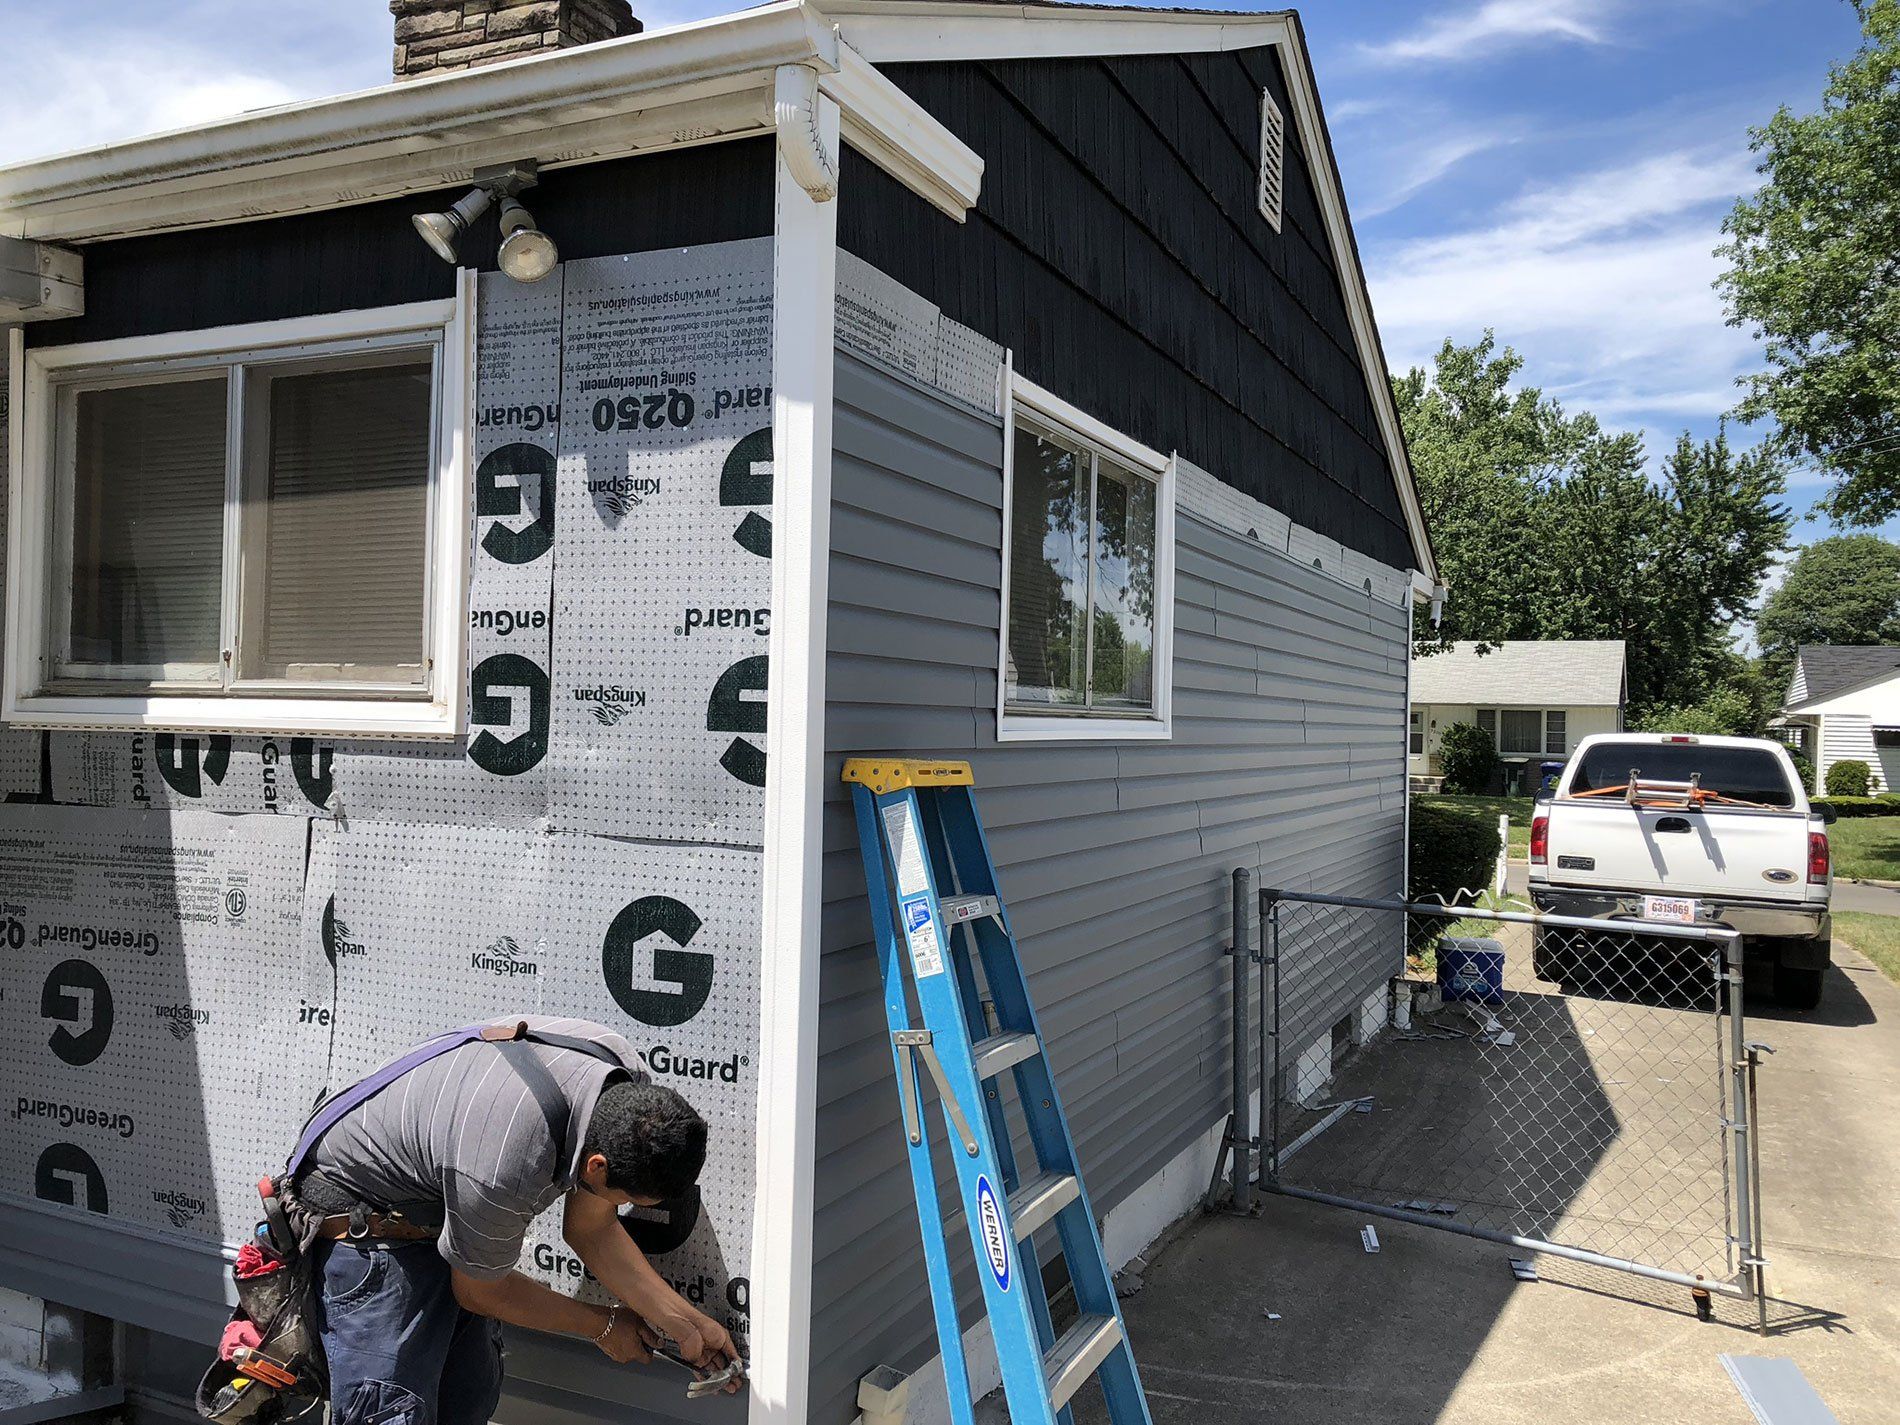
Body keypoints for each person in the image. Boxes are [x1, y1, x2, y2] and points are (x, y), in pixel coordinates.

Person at [287, 1014, 739, 1425]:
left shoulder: (621, 1082)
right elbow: (481, 1290)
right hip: (364, 1224)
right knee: (392, 1413)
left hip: (441, 1208)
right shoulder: (509, 1162)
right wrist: (604, 1327)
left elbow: (592, 1228)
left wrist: (687, 1325)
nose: (621, 1206)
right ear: (596, 1167)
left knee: (468, 1399)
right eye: (626, 1198)